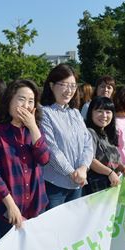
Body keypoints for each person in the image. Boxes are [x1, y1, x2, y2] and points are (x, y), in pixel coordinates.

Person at [0, 79, 50, 243]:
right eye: (21, 99)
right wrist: (11, 206)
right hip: (9, 208)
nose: (26, 105)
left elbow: (44, 158)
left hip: (36, 204)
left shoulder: (35, 130)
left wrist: (33, 127)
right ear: (9, 101)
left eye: (31, 101)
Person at [41, 64, 94, 209]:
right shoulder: (44, 112)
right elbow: (51, 149)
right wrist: (72, 173)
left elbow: (88, 143)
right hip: (54, 186)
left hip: (77, 184)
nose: (69, 90)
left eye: (73, 86)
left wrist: (83, 168)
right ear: (51, 85)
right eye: (64, 85)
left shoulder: (75, 113)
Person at [83, 96, 125, 195]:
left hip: (109, 187)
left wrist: (122, 167)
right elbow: (90, 160)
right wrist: (110, 172)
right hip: (95, 188)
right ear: (91, 113)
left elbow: (113, 160)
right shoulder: (89, 132)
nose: (104, 115)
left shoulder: (109, 134)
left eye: (108, 112)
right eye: (99, 111)